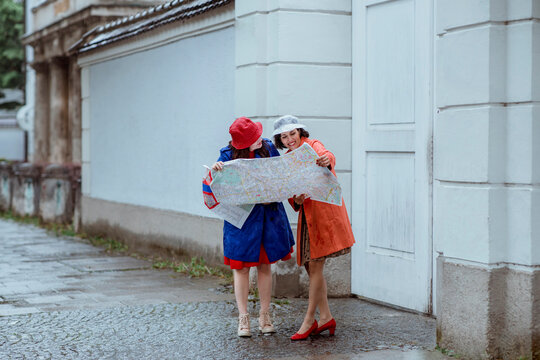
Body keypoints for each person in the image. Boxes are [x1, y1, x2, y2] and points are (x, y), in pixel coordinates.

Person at [272, 115, 355, 341]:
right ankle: (326, 316)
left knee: (316, 267)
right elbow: (294, 202)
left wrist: (325, 160)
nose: (290, 139)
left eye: (292, 134)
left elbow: (328, 155)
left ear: (300, 132)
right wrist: (297, 200)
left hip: (324, 215)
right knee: (310, 268)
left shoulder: (312, 145)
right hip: (308, 218)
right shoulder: (287, 160)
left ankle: (309, 320)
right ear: (280, 140)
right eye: (284, 136)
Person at [211, 117, 295, 338]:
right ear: (242, 143)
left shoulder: (268, 148)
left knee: (265, 265)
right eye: (254, 138)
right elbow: (218, 189)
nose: (260, 138)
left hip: (268, 218)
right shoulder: (227, 156)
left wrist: (272, 196)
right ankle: (243, 317)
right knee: (241, 268)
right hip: (242, 222)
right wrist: (216, 171)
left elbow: (282, 178)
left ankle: (265, 315)